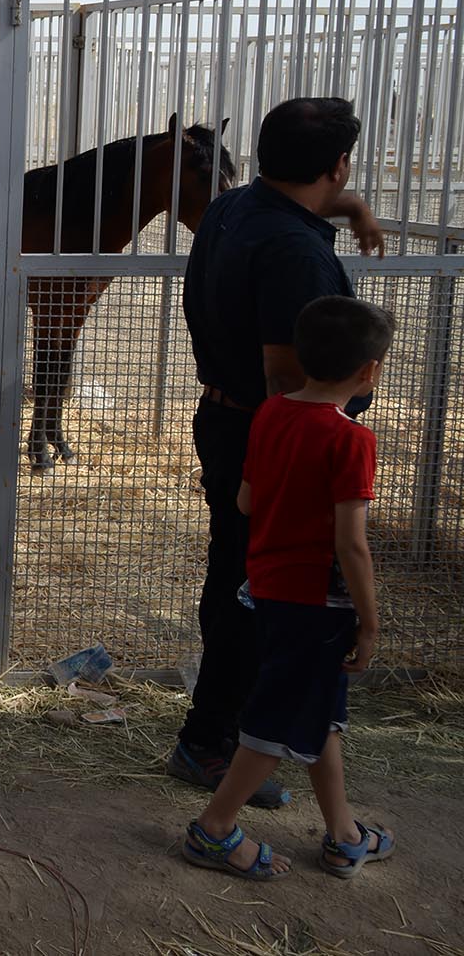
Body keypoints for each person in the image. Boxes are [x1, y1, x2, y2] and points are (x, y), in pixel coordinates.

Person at [172, 97, 382, 808]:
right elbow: (287, 378)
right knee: (258, 595)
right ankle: (213, 741)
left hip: (229, 422)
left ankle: (216, 732)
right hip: (275, 439)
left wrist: (351, 210)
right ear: (337, 162)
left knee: (233, 578)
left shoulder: (233, 208)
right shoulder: (293, 250)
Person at [182, 295, 396, 880]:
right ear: (368, 372)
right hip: (317, 603)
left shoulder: (270, 414)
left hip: (268, 587)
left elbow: (247, 501)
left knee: (317, 713)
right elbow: (351, 544)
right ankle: (215, 829)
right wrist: (370, 623)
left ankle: (344, 834)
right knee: (276, 722)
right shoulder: (352, 439)